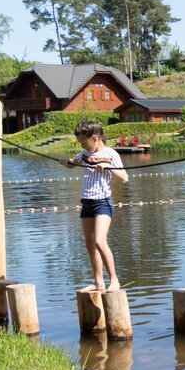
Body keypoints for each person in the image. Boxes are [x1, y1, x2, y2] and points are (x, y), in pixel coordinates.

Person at [60, 120, 129, 292]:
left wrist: (108, 167)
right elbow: (73, 164)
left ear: (95, 138)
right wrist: (65, 161)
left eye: (84, 142)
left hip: (102, 203)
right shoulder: (84, 153)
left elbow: (124, 178)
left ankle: (114, 280)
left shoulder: (111, 154)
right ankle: (98, 282)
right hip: (87, 202)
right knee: (90, 244)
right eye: (80, 143)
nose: (82, 145)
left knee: (99, 241)